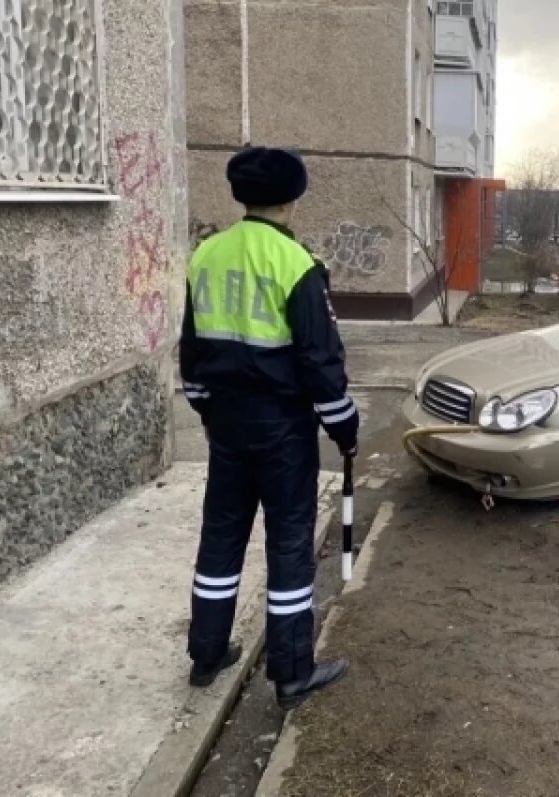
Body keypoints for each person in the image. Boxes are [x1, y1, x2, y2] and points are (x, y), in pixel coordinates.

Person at [179, 147, 357, 710]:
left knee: (221, 535)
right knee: (288, 545)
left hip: (227, 425)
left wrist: (207, 410)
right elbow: (319, 359)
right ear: (291, 198)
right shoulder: (295, 263)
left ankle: (207, 654)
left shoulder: (206, 254)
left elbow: (192, 349)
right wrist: (345, 426)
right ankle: (292, 672)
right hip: (283, 430)